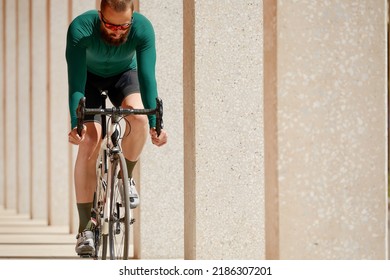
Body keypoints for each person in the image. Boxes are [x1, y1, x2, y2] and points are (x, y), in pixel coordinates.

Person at [66, 0, 167, 256]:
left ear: (132, 18)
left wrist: (156, 124)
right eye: (110, 25)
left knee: (140, 119)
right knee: (92, 138)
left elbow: (147, 77)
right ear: (100, 16)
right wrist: (76, 124)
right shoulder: (80, 28)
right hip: (89, 79)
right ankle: (85, 228)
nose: (117, 32)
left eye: (124, 27)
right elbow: (75, 80)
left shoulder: (142, 28)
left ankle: (125, 178)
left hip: (124, 76)